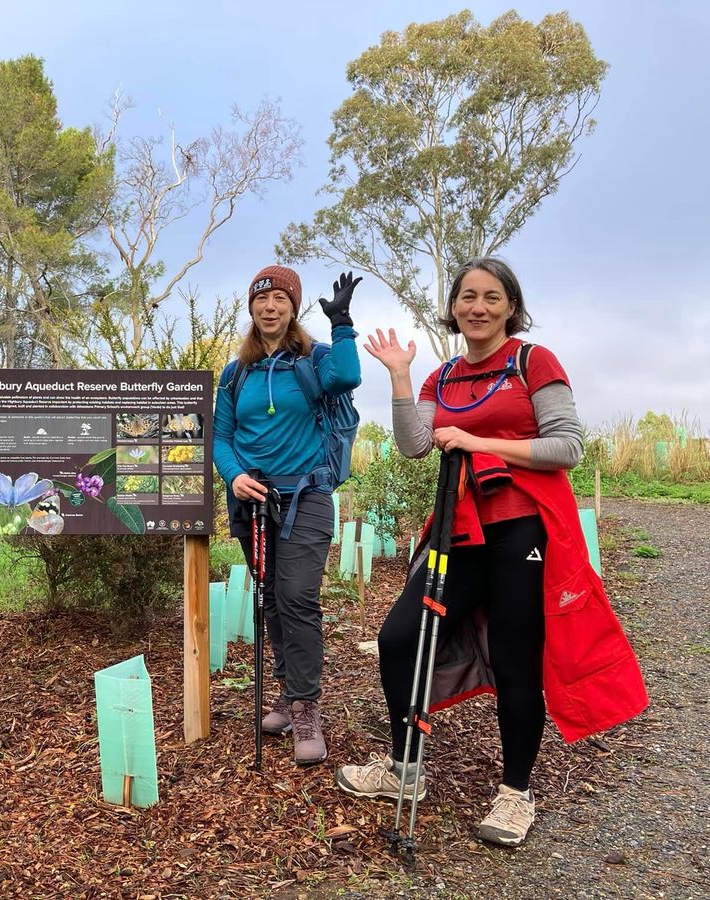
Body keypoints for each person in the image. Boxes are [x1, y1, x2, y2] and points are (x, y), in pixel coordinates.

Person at [334, 257, 647, 847]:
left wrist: (479, 442)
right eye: (467, 296)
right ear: (453, 306)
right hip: (459, 529)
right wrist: (401, 375)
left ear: (510, 307)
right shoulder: (444, 374)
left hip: (523, 528)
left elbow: (567, 447)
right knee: (402, 637)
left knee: (514, 657)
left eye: (492, 297)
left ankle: (515, 793)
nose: (478, 307)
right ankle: (405, 770)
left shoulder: (534, 361)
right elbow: (414, 446)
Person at [213, 265, 362, 765]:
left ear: (294, 307)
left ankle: (305, 709)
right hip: (253, 502)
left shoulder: (315, 359)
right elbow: (222, 435)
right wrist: (233, 475)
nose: (270, 306)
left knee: (297, 597)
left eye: (280, 298)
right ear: (251, 308)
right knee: (271, 599)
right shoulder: (237, 374)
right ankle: (285, 692)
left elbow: (348, 377)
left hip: (307, 498)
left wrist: (342, 324)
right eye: (261, 299)